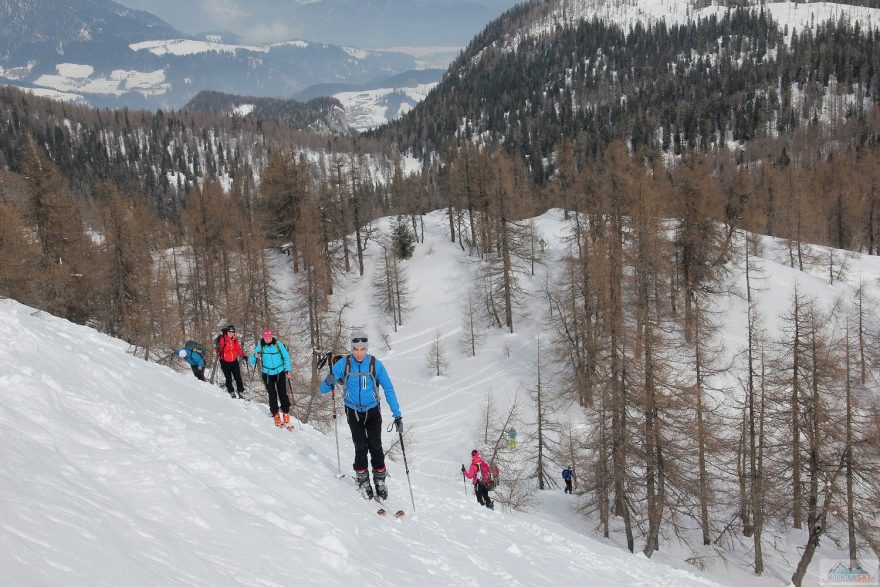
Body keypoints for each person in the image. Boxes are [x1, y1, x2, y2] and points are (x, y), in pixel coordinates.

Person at [319, 331, 402, 500]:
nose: (359, 352)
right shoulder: (343, 364)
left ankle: (380, 481)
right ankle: (363, 480)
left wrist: (397, 415)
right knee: (360, 447)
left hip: (372, 411)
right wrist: (330, 380)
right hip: (353, 411)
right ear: (351, 348)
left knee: (376, 447)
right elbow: (323, 389)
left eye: (362, 349)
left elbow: (388, 389)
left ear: (366, 348)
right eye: (355, 349)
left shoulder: (375, 364)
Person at [249, 327, 292, 427]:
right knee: (272, 394)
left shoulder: (278, 344)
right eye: (266, 338)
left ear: (272, 336)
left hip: (279, 372)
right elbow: (251, 361)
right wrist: (255, 356)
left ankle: (286, 412)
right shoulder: (261, 346)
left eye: (269, 337)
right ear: (263, 337)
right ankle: (275, 413)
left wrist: (288, 370)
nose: (268, 339)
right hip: (267, 374)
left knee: (282, 393)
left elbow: (286, 357)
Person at [216, 324, 245, 398]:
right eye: (230, 332)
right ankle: (231, 391)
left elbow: (238, 348)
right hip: (225, 362)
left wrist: (242, 355)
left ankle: (240, 391)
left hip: (234, 361)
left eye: (233, 332)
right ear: (227, 332)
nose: (231, 333)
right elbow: (218, 350)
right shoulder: (223, 339)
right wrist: (218, 352)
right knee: (228, 378)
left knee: (238, 377)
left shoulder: (234, 339)